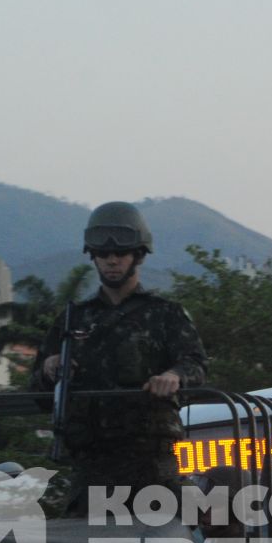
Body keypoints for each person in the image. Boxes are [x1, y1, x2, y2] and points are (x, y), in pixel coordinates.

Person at [28, 201, 208, 513]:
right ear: (93, 258)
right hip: (91, 471)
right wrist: (48, 369)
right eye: (103, 255)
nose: (112, 261)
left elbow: (197, 365)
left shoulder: (165, 314)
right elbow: (37, 394)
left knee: (188, 537)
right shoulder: (73, 320)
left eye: (120, 254)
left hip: (153, 467)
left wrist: (174, 376)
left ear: (137, 256)